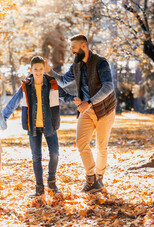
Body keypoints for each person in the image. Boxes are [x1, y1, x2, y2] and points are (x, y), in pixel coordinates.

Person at [45, 34, 116, 193]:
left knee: (101, 146)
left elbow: (109, 87)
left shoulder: (100, 63)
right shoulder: (76, 65)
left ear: (84, 46)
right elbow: (63, 81)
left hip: (104, 110)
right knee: (81, 142)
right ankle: (91, 178)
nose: (72, 52)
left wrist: (89, 101)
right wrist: (49, 71)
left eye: (74, 48)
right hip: (87, 110)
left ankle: (99, 178)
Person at [3, 56, 77, 197]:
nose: (38, 72)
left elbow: (64, 95)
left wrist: (76, 98)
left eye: (41, 69)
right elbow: (14, 101)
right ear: (31, 70)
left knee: (54, 154)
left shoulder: (52, 83)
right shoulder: (26, 85)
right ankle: (39, 187)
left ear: (44, 70)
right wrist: (3, 117)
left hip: (50, 124)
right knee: (36, 157)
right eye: (35, 69)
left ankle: (52, 181)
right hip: (33, 126)